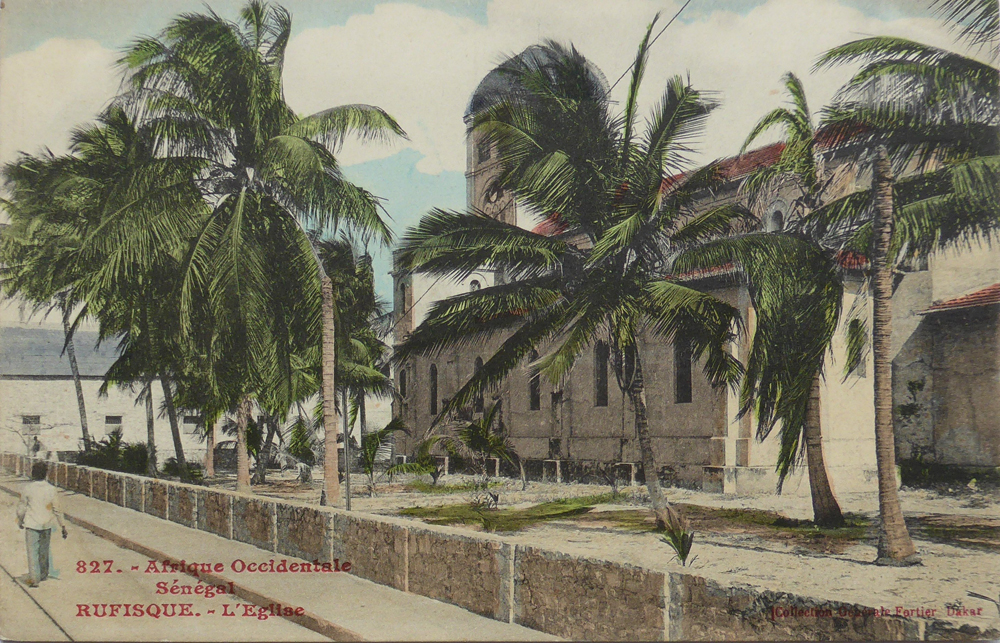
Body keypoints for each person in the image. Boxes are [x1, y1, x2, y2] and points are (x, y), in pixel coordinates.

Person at [16, 462, 67, 588]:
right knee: (44, 550)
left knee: (32, 551)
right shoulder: (51, 489)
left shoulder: (27, 488)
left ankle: (34, 578)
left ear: (33, 473)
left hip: (32, 524)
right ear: (45, 474)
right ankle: (43, 574)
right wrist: (63, 526)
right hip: (47, 524)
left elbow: (21, 508)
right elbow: (57, 509)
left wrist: (20, 520)